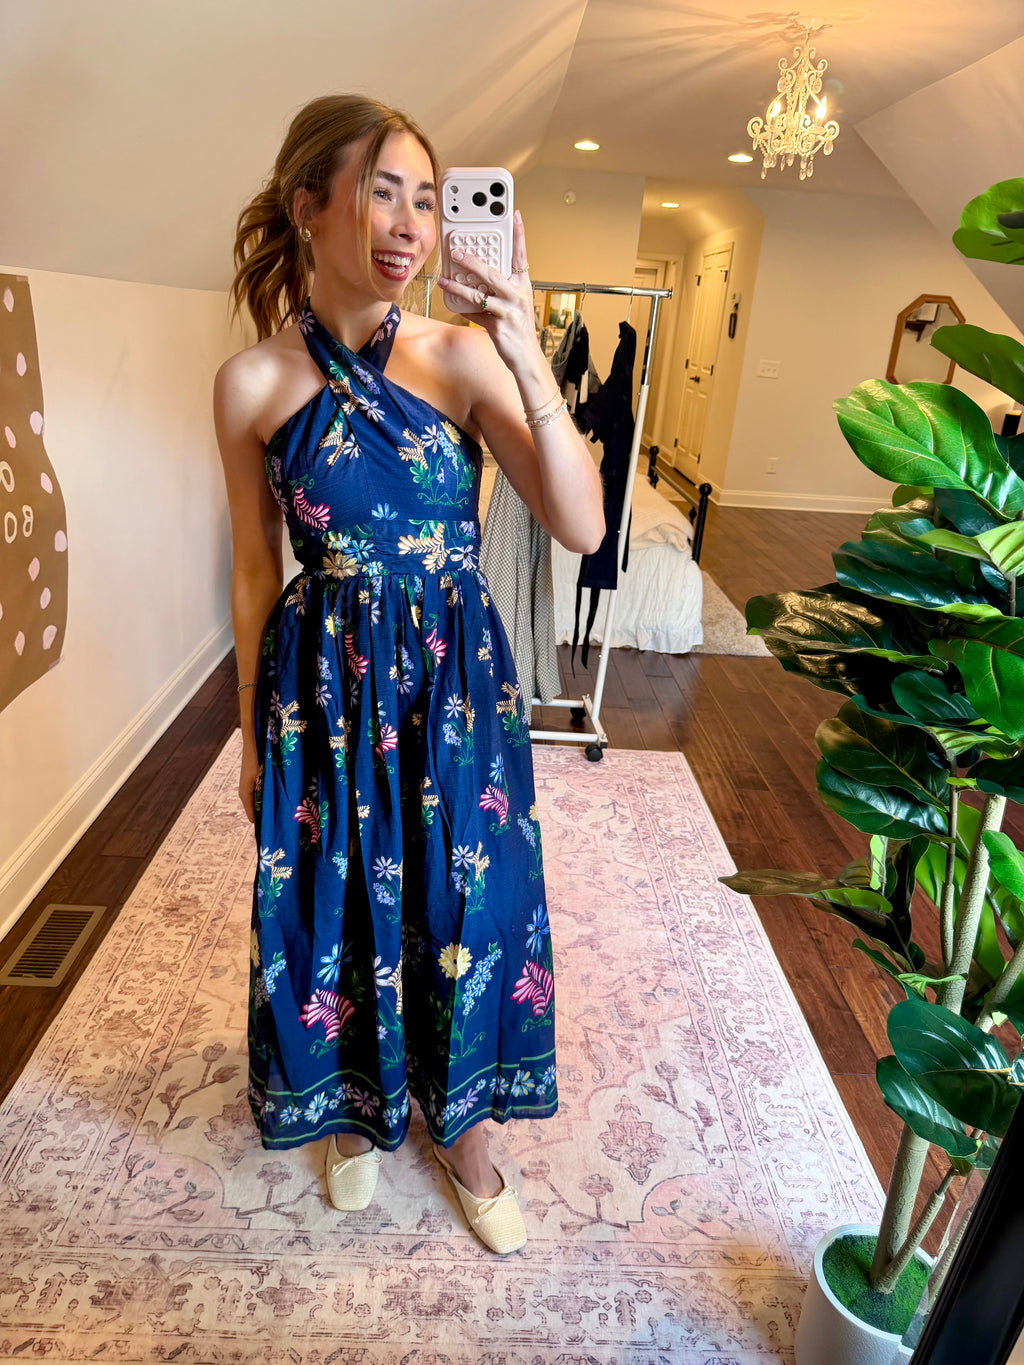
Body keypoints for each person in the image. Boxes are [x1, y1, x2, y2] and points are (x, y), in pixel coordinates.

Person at [213, 94, 604, 1255]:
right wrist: (248, 736)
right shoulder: (251, 384)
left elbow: (579, 526)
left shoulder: (464, 355)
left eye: (427, 198)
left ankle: (468, 1132)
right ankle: (347, 1109)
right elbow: (249, 574)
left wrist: (528, 346)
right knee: (334, 906)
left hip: (452, 686)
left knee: (464, 907)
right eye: (384, 190)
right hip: (321, 694)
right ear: (308, 207)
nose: (410, 223)